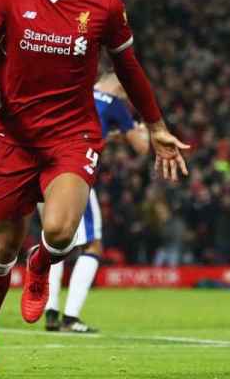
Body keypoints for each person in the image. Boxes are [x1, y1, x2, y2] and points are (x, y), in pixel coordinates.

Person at [0, 0, 189, 378]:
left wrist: (157, 124)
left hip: (71, 134)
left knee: (61, 232)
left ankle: (42, 263)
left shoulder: (103, 2)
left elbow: (130, 68)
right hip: (15, 137)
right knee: (1, 248)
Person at [43, 71, 149, 333]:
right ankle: (70, 317)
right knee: (93, 243)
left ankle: (51, 310)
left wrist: (106, 138)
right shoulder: (114, 103)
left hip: (43, 170)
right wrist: (142, 131)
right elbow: (142, 148)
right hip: (73, 174)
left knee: (55, 240)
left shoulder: (76, 92)